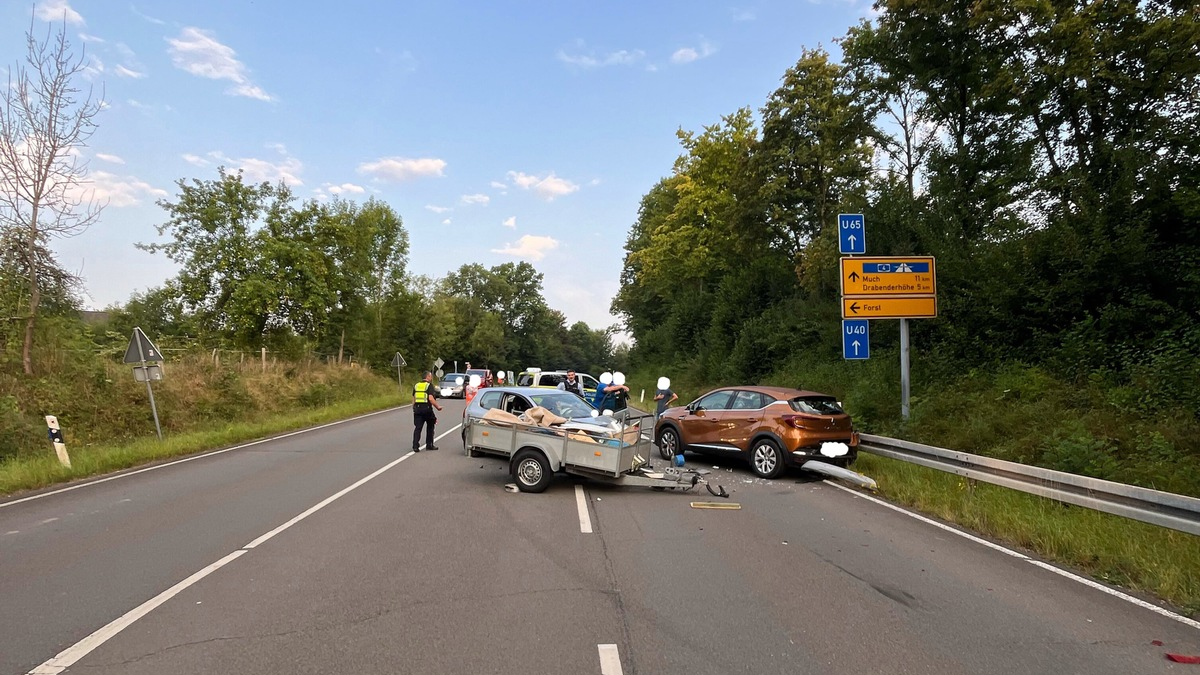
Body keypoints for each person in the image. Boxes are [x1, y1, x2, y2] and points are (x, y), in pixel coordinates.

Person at [412, 370, 443, 451]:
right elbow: (431, 398)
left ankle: (415, 446)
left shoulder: (417, 385)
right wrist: (438, 407)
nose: (431, 378)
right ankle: (429, 445)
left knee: (418, 428)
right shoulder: (429, 385)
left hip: (417, 409)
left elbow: (414, 398)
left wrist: (414, 408)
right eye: (430, 376)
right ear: (427, 377)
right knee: (430, 426)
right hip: (427, 409)